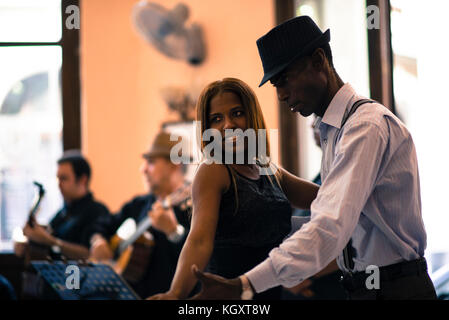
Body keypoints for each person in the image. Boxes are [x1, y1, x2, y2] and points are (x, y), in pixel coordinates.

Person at [191, 16, 437, 300]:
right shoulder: (334, 130)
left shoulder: (364, 128)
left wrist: (245, 284)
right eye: (275, 86)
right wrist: (253, 221)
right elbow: (345, 217)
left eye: (284, 80)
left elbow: (330, 225)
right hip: (366, 288)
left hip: (395, 290)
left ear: (319, 60)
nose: (281, 95)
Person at [149, 78, 319, 300]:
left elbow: (324, 199)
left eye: (237, 113)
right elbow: (199, 240)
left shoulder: (267, 169)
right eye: (216, 119)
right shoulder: (213, 170)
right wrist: (176, 293)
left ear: (252, 115)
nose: (228, 125)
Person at [88, 130, 192, 298]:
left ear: (175, 164)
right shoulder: (140, 203)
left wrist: (174, 232)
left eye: (150, 162)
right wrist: (98, 240)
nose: (142, 169)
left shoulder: (192, 204)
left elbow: (201, 262)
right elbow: (101, 224)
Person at [14, 151, 110, 261]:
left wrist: (50, 241)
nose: (59, 185)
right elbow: (49, 236)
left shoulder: (97, 211)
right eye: (58, 179)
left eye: (64, 178)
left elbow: (89, 254)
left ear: (82, 180)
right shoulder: (63, 211)